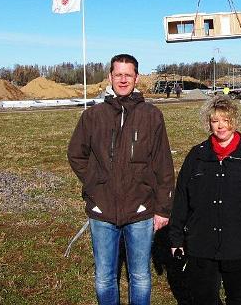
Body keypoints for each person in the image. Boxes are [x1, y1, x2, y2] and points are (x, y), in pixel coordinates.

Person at [68, 53, 175, 305]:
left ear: (136, 78)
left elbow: (164, 166)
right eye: (118, 75)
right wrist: (95, 184)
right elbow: (76, 154)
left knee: (140, 276)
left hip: (140, 210)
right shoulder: (93, 116)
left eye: (128, 75)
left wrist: (163, 208)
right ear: (110, 77)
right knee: (105, 276)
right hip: (102, 210)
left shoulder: (152, 115)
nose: (123, 80)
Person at [168, 95, 241, 305]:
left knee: (237, 298)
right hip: (201, 245)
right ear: (208, 123)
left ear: (234, 121)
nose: (221, 126)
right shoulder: (197, 155)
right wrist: (176, 239)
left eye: (226, 120)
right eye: (215, 121)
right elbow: (181, 199)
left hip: (239, 245)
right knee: (204, 298)